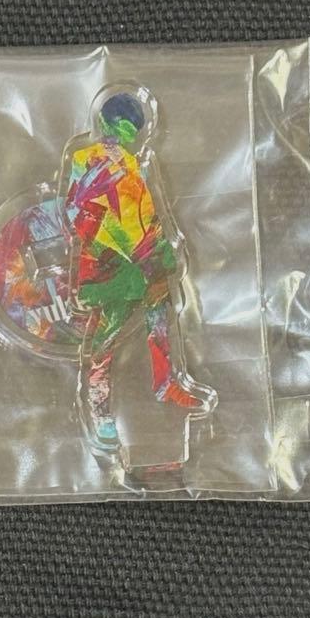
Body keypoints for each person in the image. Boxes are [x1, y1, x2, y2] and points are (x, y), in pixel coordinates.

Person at [58, 89, 216, 455]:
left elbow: (147, 208)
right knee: (106, 337)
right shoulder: (85, 159)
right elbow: (74, 212)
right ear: (104, 124)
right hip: (111, 264)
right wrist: (117, 245)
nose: (127, 134)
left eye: (133, 128)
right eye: (123, 126)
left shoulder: (135, 163)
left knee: (161, 319)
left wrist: (161, 247)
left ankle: (167, 383)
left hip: (146, 256)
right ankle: (99, 409)